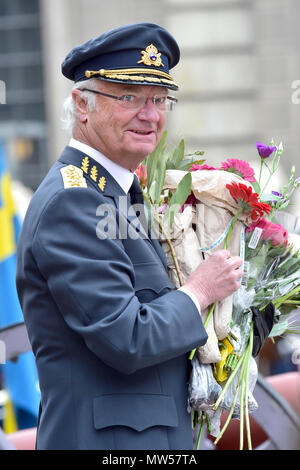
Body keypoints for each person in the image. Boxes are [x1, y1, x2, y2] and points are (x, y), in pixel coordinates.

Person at [16, 23, 244, 450]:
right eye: (128, 98)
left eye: (159, 100)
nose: (151, 114)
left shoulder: (119, 194)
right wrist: (200, 291)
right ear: (82, 105)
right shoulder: (75, 201)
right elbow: (128, 338)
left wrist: (248, 300)